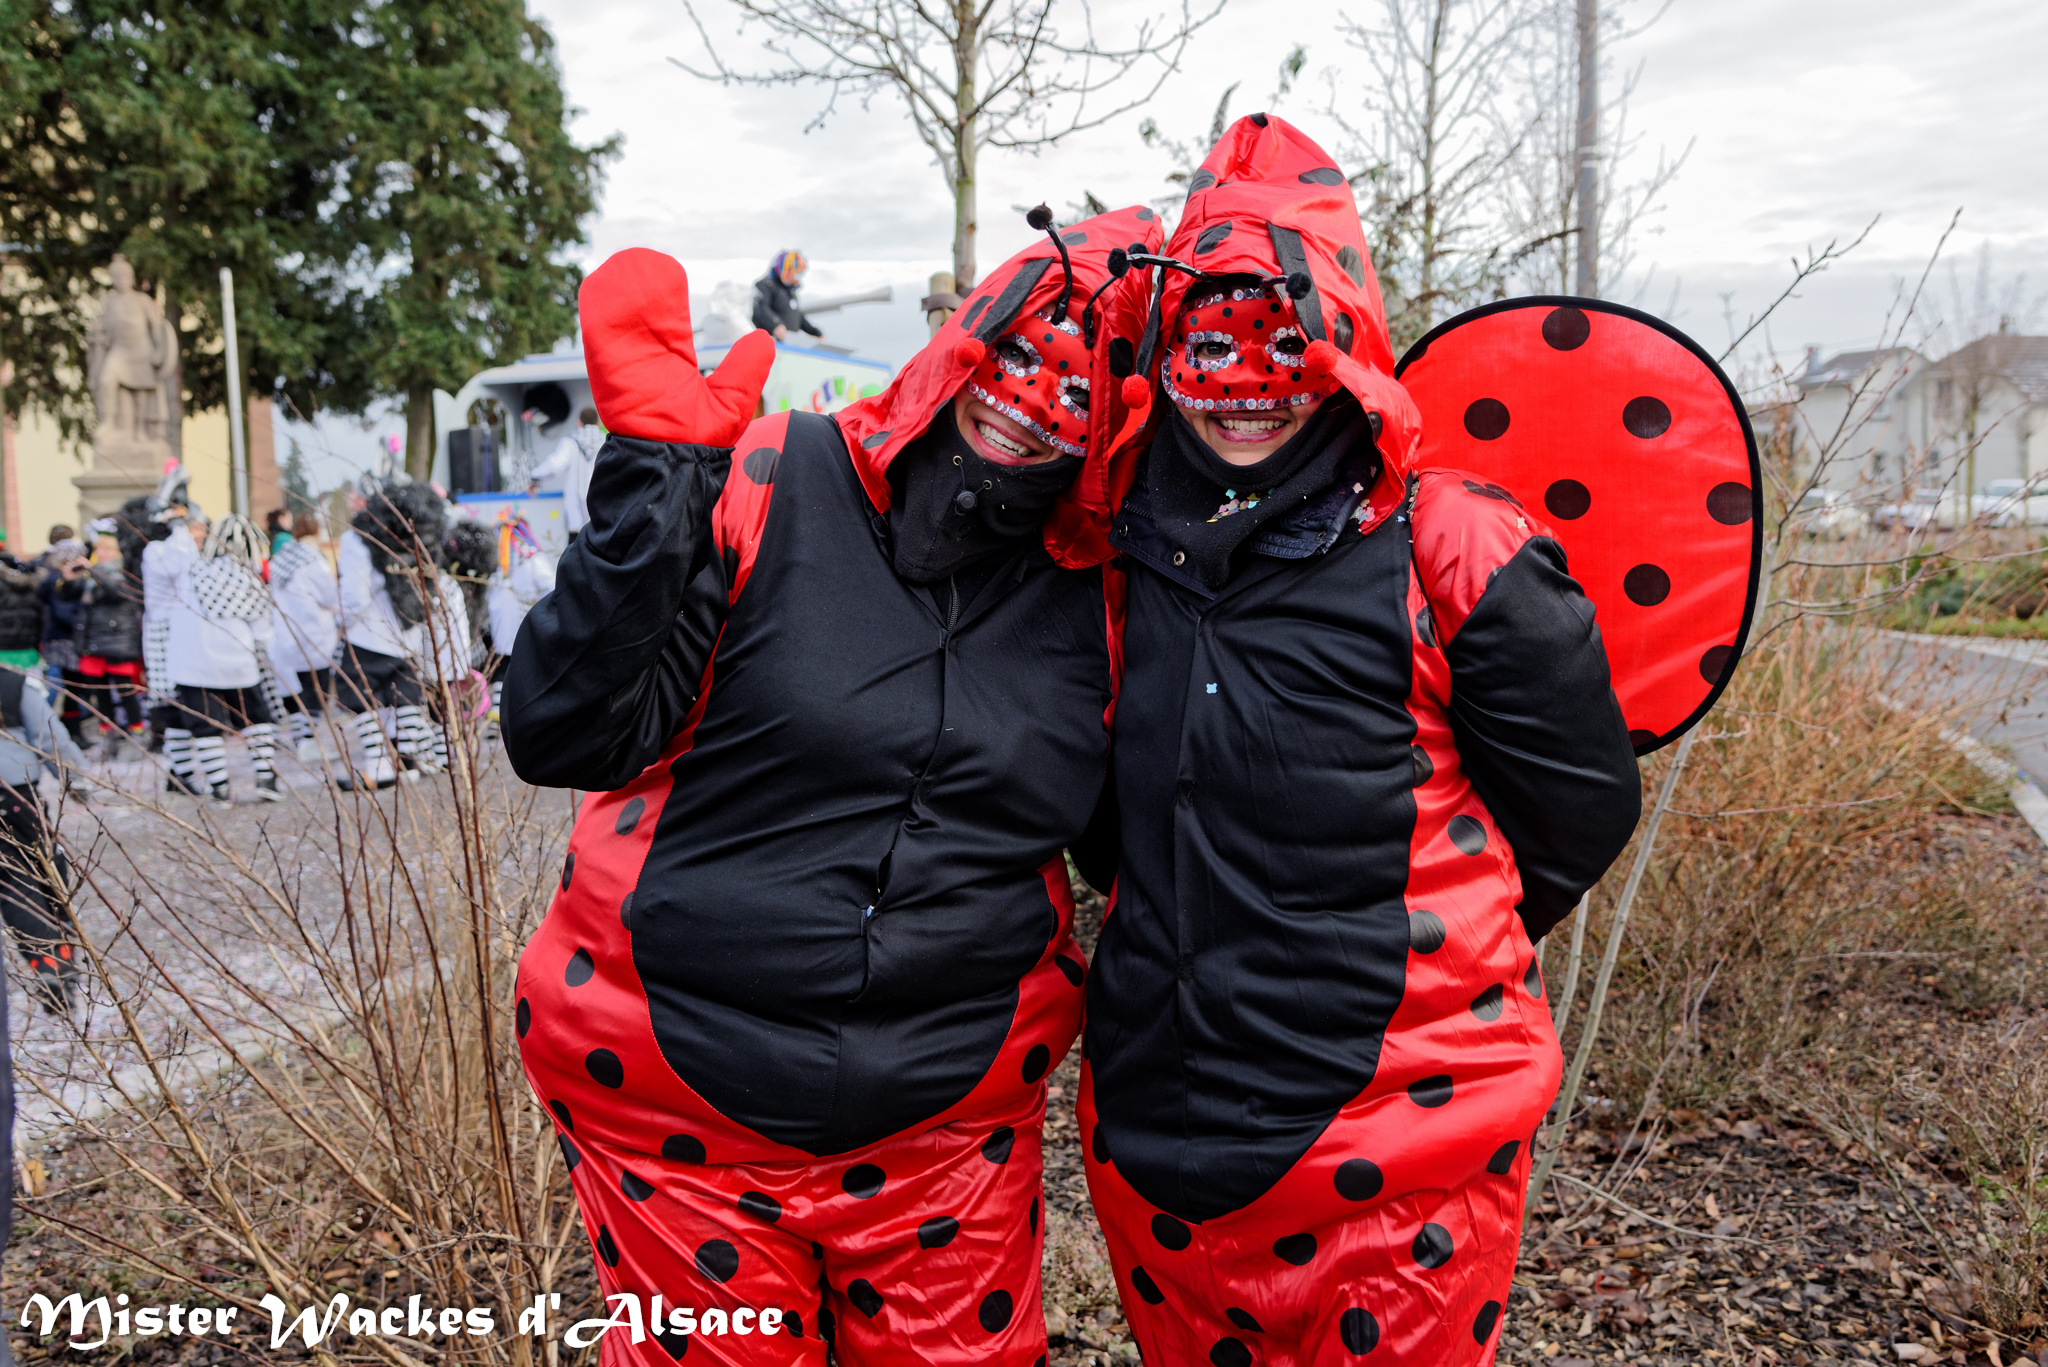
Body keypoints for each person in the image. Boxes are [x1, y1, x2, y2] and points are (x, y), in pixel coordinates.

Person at [503, 206, 1159, 1367]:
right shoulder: (773, 478)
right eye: (1015, 355)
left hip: (950, 1131)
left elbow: (1138, 851)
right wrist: (656, 488)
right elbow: (565, 731)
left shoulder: (1100, 594)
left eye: (1079, 384)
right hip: (677, 1116)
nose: (1028, 399)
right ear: (964, 339)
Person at [1079, 115, 1644, 1367]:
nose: (1243, 397)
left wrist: (1411, 940)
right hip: (1161, 1145)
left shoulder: (1449, 545)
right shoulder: (1127, 556)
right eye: (1205, 350)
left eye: (1278, 346)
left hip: (1404, 1159)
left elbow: (1578, 807)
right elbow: (1112, 820)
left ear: (1338, 339)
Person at [158, 515, 283, 805]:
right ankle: (266, 777)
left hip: (192, 662)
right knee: (256, 717)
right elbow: (262, 627)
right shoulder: (247, 576)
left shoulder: (190, 570)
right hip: (238, 659)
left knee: (205, 725)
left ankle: (220, 787)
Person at [333, 480, 446, 789]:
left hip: (367, 634)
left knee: (364, 701)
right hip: (406, 631)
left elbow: (356, 592)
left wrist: (340, 619)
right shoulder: (410, 536)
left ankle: (379, 767)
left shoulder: (357, 538)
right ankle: (409, 763)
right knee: (405, 697)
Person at [0, 651, 92, 1014]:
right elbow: (51, 736)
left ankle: (54, 970)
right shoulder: (13, 684)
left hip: (15, 797)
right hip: (16, 798)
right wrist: (76, 779)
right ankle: (57, 969)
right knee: (39, 882)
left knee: (18, 887)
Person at [75, 509, 149, 757]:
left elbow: (116, 593)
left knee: (127, 694)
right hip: (95, 643)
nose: (102, 554)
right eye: (99, 550)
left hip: (119, 643)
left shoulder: (124, 571)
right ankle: (109, 738)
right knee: (101, 697)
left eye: (107, 549)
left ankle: (137, 737)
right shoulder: (91, 575)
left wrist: (93, 571)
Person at [268, 512, 340, 764]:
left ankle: (302, 740)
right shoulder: (314, 561)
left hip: (286, 635)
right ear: (317, 532)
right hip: (314, 636)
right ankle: (307, 742)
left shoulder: (281, 559)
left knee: (297, 691)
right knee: (316, 692)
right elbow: (330, 597)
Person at [483, 510, 554, 731]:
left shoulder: (496, 560)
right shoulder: (532, 557)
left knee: (502, 672)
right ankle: (526, 719)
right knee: (527, 672)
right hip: (527, 627)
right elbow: (551, 587)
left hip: (500, 630)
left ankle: (497, 721)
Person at [527, 406, 605, 535]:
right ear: (599, 423)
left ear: (578, 422)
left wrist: (534, 477)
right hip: (601, 518)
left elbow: (555, 465)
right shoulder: (605, 443)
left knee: (575, 552)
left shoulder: (571, 443)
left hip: (576, 519)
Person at [751, 249, 822, 342]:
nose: (793, 276)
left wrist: (816, 333)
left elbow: (798, 317)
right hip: (770, 344)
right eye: (791, 271)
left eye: (796, 273)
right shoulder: (765, 285)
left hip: (789, 345)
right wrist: (776, 325)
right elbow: (761, 309)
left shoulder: (790, 293)